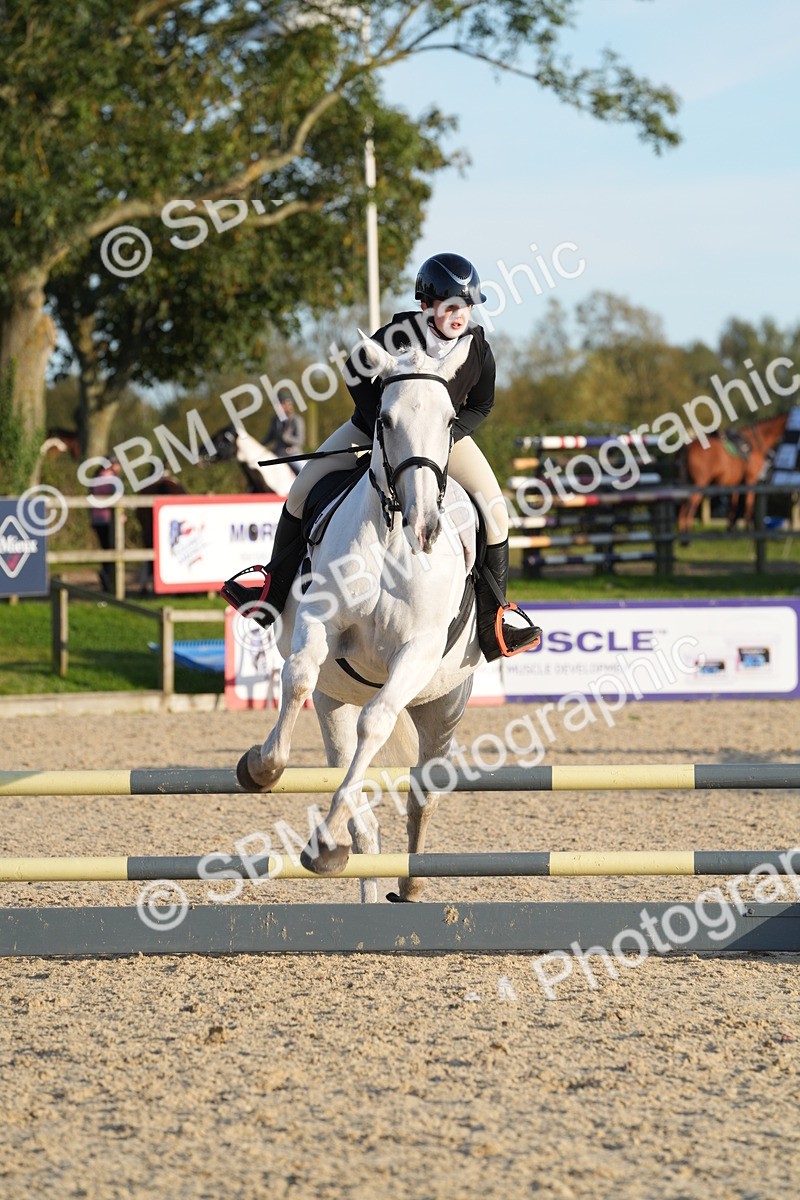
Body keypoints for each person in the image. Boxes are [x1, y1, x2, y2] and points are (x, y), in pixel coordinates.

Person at [223, 253, 540, 660]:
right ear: (426, 305)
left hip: (443, 440)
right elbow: (354, 370)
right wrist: (384, 425)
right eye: (450, 306)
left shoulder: (477, 348)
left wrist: (448, 435)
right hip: (374, 428)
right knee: (300, 490)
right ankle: (272, 589)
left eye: (467, 305)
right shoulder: (399, 333)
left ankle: (494, 619)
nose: (460, 315)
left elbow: (482, 404)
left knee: (495, 512)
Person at [88, 455, 124, 593]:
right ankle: (112, 580)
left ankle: (106, 576)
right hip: (110, 519)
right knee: (113, 550)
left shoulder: (96, 478)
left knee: (105, 549)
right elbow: (117, 499)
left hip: (97, 519)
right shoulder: (113, 480)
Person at [263, 394, 306, 475]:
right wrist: (258, 445)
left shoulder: (296, 420)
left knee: (305, 471)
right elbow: (269, 437)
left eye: (281, 404)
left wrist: (287, 438)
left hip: (293, 455)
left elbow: (300, 441)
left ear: (288, 405)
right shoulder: (274, 420)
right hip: (278, 455)